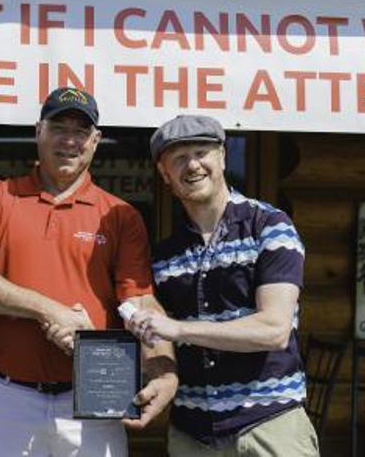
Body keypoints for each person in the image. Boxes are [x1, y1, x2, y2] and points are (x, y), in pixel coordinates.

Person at [0, 87, 177, 457]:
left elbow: (139, 299)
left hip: (95, 393)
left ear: (96, 140)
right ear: (38, 132)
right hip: (8, 397)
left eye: (81, 131)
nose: (70, 140)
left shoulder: (119, 215)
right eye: (59, 127)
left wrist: (165, 368)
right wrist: (47, 309)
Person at [127, 115, 319, 456]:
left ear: (223, 157)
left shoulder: (270, 227)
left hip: (268, 428)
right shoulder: (164, 256)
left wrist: (177, 329)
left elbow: (273, 329)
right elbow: (154, 337)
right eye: (179, 159)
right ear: (164, 174)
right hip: (192, 435)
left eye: (201, 152)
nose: (193, 165)